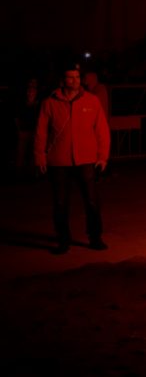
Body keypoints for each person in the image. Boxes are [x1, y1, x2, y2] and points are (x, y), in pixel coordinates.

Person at [34, 62, 110, 254]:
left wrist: (102, 156)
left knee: (92, 201)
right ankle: (63, 240)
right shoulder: (49, 103)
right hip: (59, 161)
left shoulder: (92, 101)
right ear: (62, 80)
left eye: (77, 77)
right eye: (70, 77)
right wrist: (40, 156)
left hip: (86, 160)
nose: (75, 81)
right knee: (60, 202)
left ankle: (95, 237)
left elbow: (102, 130)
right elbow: (41, 132)